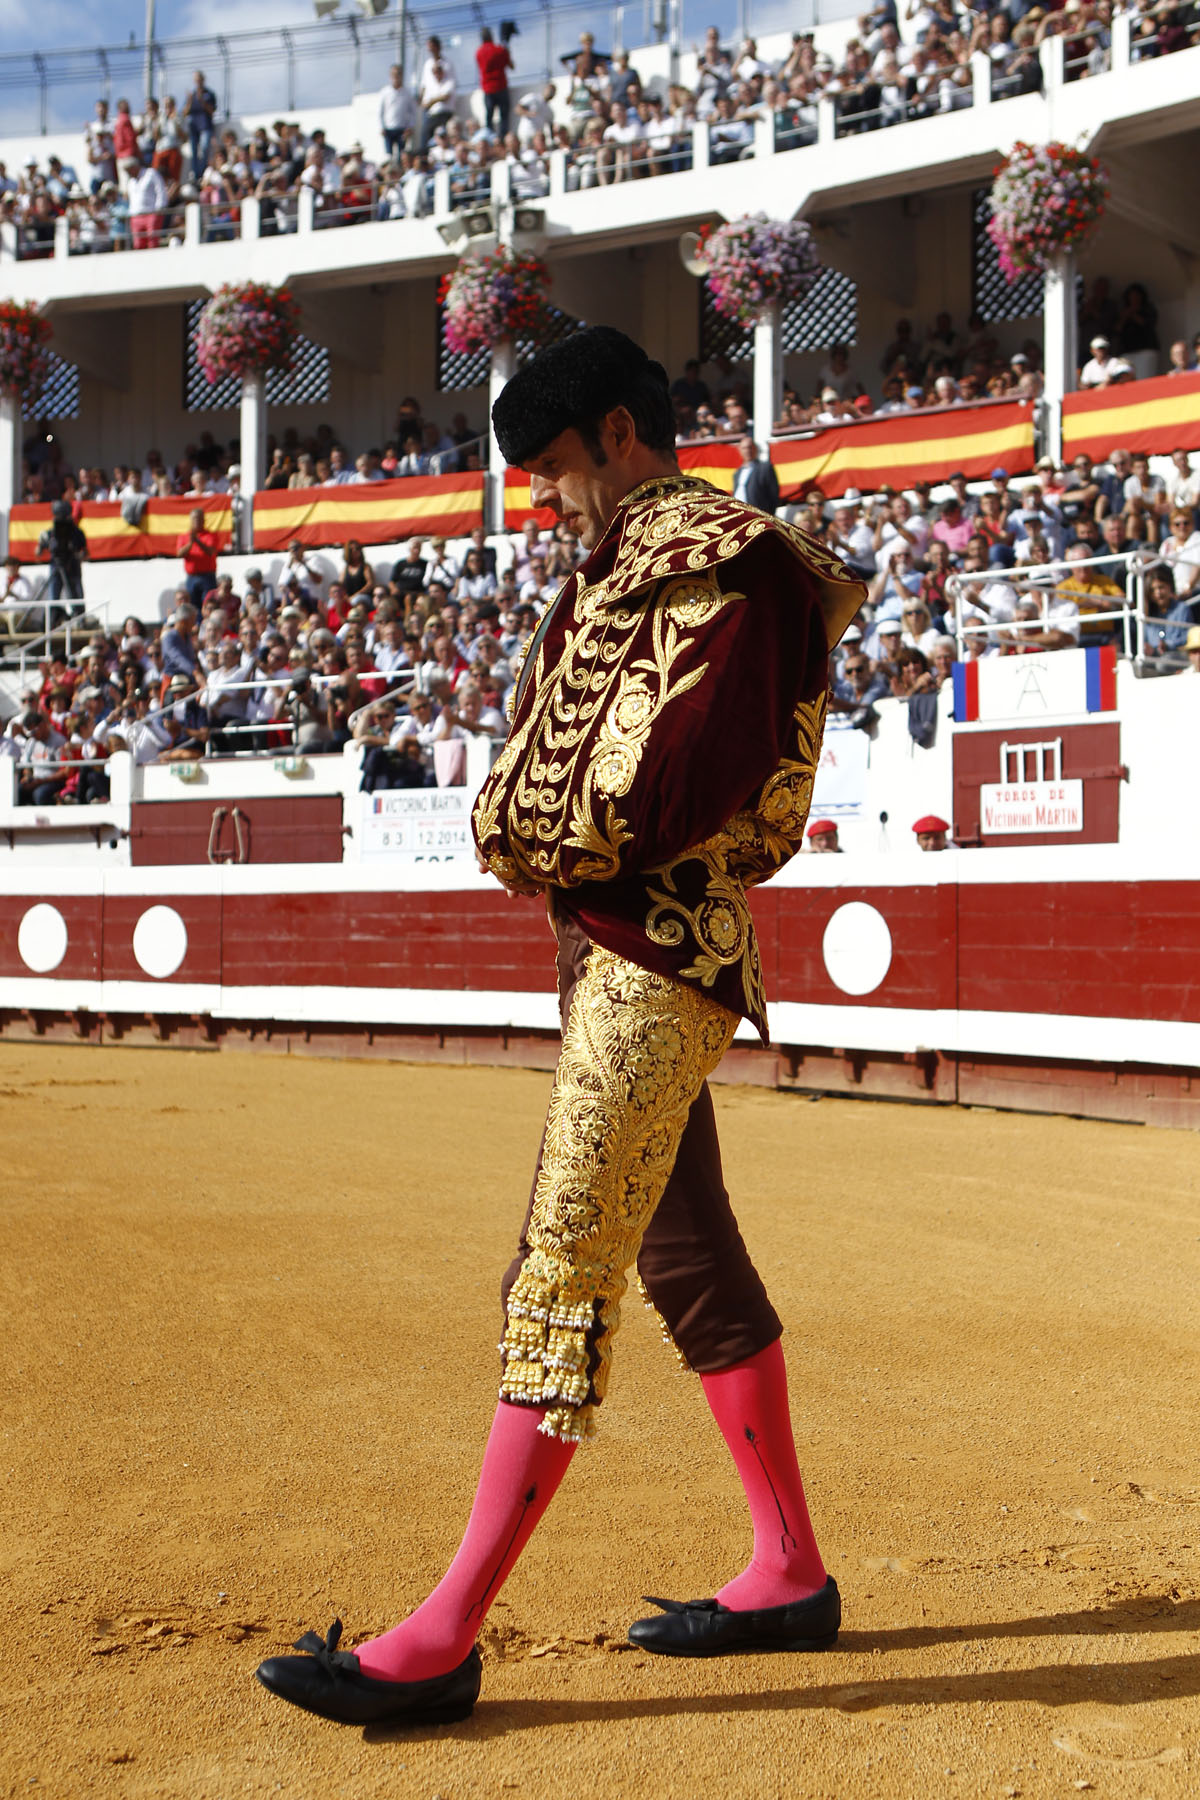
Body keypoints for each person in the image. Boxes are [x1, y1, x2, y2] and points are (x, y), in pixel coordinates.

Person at [256, 324, 865, 1728]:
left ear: (622, 434)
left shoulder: (732, 563)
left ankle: (443, 1637)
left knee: (563, 1259)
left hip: (664, 956)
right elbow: (541, 771)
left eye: (551, 469)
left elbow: (676, 785)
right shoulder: (610, 580)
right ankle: (788, 1570)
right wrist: (526, 829)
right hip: (605, 953)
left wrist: (533, 833)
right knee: (684, 1247)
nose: (543, 498)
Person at [36, 500, 88, 606]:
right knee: (54, 597)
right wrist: (41, 543)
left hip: (72, 566)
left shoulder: (77, 533)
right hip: (56, 566)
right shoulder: (51, 533)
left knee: (76, 598)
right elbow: (38, 553)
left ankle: (79, 618)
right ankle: (54, 618)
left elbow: (85, 553)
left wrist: (77, 555)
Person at [475, 28, 513, 139]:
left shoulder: (479, 52)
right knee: (504, 116)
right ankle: (503, 137)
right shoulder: (500, 50)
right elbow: (510, 65)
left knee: (489, 116)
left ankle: (489, 137)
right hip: (501, 86)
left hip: (488, 89)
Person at [732, 437, 781, 513]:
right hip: (739, 514)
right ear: (740, 450)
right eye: (744, 448)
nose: (747, 451)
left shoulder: (765, 468)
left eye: (750, 447)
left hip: (758, 515)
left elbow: (773, 494)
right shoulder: (737, 473)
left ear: (755, 449)